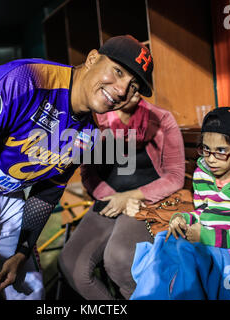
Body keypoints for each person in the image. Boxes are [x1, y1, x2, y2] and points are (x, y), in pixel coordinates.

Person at [0, 35, 154, 300]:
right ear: (92, 58)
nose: (121, 90)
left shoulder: (90, 132)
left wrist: (23, 251)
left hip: (10, 195)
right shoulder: (28, 78)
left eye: (132, 86)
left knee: (29, 290)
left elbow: (48, 190)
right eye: (117, 72)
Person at [130, 106, 230, 300]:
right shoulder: (202, 173)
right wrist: (183, 218)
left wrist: (206, 236)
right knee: (164, 244)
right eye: (206, 150)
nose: (211, 159)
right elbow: (204, 212)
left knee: (185, 253)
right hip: (207, 238)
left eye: (221, 151)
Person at [58, 90, 185, 300]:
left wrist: (129, 198)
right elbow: (88, 174)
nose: (131, 87)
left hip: (147, 202)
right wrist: (113, 198)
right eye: (126, 79)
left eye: (138, 83)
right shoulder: (96, 121)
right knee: (70, 263)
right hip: (107, 199)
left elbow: (175, 177)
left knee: (120, 258)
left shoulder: (161, 119)